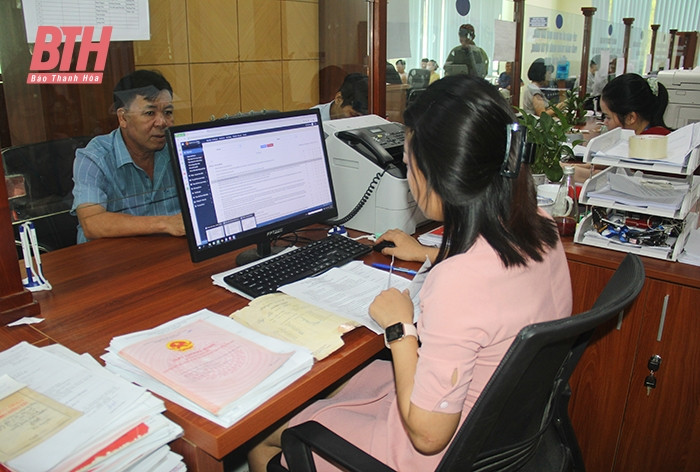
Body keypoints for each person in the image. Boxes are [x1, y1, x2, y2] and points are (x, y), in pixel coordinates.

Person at [247, 75, 572, 472]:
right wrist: (429, 252)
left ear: (439, 173)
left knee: (265, 440)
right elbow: (495, 278)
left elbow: (428, 436)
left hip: (432, 446)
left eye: (408, 160)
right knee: (333, 387)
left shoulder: (458, 283)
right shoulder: (539, 225)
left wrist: (400, 328)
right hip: (495, 426)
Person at [71, 70, 184, 244]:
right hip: (113, 256)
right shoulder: (94, 157)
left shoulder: (179, 149)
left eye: (168, 112)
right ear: (123, 118)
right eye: (150, 113)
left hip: (169, 252)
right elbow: (91, 222)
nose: (162, 122)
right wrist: (166, 223)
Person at [600, 73, 671, 136]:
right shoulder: (661, 134)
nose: (605, 123)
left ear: (630, 118)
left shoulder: (644, 144)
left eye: (608, 117)